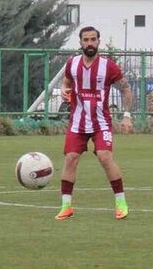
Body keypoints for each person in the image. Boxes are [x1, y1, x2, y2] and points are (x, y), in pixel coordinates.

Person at [55, 26, 134, 221]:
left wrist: (126, 115)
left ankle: (121, 203)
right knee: (71, 158)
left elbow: (126, 89)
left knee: (104, 156)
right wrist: (65, 90)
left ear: (98, 42)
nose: (89, 43)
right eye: (86, 40)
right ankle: (66, 206)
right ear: (80, 42)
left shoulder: (109, 66)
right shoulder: (72, 64)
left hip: (100, 122)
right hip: (77, 122)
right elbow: (65, 82)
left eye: (93, 39)